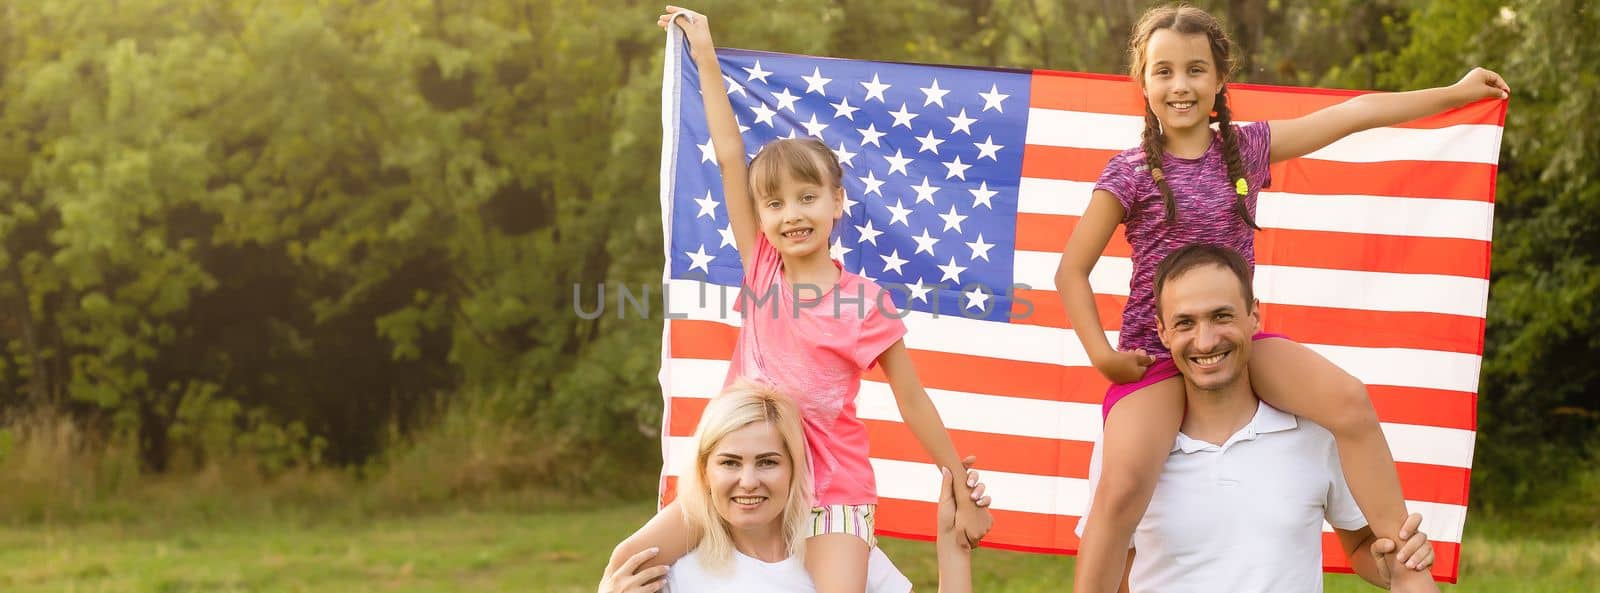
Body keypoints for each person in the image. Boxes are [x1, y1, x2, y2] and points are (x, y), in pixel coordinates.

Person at [1053, 5, 1508, 592]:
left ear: (1220, 80)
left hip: (1234, 337)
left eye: (1196, 70)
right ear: (1142, 82)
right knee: (1120, 491)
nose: (1181, 85)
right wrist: (1104, 357)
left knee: (1349, 401)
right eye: (1163, 71)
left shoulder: (1246, 151)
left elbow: (1354, 114)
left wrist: (1453, 92)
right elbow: (1071, 270)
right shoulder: (1133, 171)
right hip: (1159, 352)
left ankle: (1406, 566)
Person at [604, 7, 994, 593]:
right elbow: (730, 154)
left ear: (837, 202)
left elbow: (914, 402)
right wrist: (705, 54)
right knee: (627, 561)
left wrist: (959, 481)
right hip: (747, 465)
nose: (792, 215)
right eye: (776, 204)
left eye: (807, 197)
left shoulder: (865, 302)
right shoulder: (762, 268)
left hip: (832, 485)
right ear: (761, 217)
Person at [1077, 244, 1436, 593]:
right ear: (1162, 332)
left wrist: (1394, 565)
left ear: (1254, 316)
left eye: (1222, 316)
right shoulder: (1129, 445)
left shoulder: (1316, 430)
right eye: (1185, 323)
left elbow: (1360, 545)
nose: (1204, 341)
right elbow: (1117, 568)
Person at [602, 381, 988, 593]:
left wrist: (953, 547)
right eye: (729, 463)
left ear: (794, 469)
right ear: (705, 471)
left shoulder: (843, 554)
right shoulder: (677, 571)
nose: (748, 481)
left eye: (768, 462)